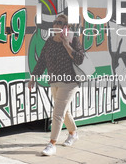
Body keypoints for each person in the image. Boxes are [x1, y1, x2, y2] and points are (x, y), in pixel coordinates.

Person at [28, 14, 84, 156]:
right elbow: (42, 61)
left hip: (70, 81)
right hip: (55, 80)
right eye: (55, 22)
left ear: (67, 26)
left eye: (60, 22)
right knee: (64, 112)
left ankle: (51, 144)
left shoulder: (73, 39)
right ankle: (73, 133)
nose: (56, 25)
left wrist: (66, 43)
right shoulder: (50, 41)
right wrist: (33, 77)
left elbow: (80, 59)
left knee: (58, 113)